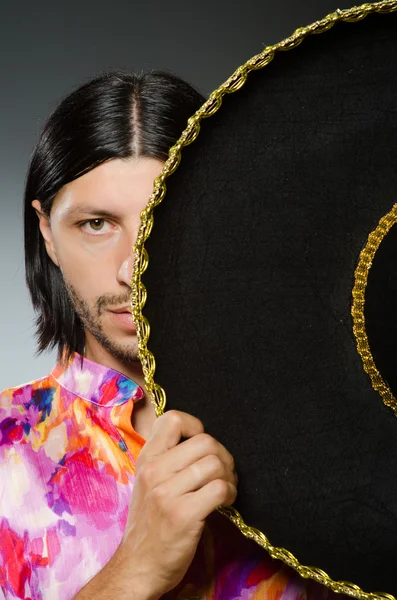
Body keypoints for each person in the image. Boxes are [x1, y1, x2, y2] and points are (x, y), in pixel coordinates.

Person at [0, 70, 337, 600]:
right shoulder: (7, 451)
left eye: (169, 219)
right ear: (46, 231)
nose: (133, 271)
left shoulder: (327, 420)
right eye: (96, 224)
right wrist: (136, 569)